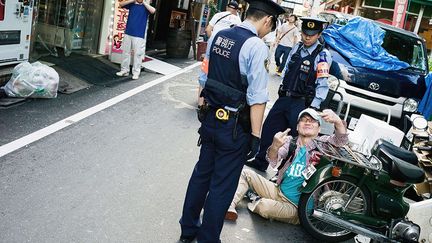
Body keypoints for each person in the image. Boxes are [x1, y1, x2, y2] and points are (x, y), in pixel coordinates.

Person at [179, 0, 285, 242]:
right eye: (271, 26)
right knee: (222, 185)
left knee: (201, 175)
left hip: (210, 121)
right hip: (235, 127)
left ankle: (188, 231)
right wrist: (256, 137)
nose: (268, 31)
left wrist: (205, 109)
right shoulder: (256, 46)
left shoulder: (219, 34)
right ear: (267, 20)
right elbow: (257, 98)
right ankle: (207, 239)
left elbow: (204, 77)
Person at [225, 108, 348, 223]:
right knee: (246, 173)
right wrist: (275, 145)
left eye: (312, 121)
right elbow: (272, 158)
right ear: (297, 127)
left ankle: (256, 198)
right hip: (279, 191)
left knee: (264, 206)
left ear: (319, 129)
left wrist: (337, 120)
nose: (307, 123)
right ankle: (229, 206)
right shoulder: (290, 141)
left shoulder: (324, 144)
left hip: (297, 207)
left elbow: (341, 140)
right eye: (303, 120)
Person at [245, 16, 332, 172]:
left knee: (295, 141)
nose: (307, 37)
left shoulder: (323, 55)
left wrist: (312, 109)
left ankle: (283, 172)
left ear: (319, 34)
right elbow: (287, 70)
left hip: (303, 104)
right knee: (269, 129)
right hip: (285, 97)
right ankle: (261, 161)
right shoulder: (297, 48)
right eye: (305, 33)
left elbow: (323, 83)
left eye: (311, 34)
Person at [115, 0, 155, 80]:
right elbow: (120, 4)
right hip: (128, 32)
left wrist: (143, 2)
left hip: (139, 34)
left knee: (137, 54)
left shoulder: (145, 6)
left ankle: (136, 72)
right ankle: (124, 70)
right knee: (125, 52)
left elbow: (153, 10)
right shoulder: (132, 4)